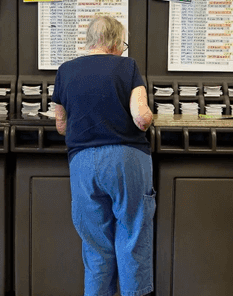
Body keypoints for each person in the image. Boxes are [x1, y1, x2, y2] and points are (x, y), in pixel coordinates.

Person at [52, 16, 155, 296]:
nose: (123, 49)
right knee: (132, 237)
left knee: (96, 246)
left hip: (83, 163)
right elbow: (141, 118)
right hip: (126, 160)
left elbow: (60, 124)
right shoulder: (127, 66)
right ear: (113, 42)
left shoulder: (65, 70)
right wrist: (151, 113)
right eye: (123, 43)